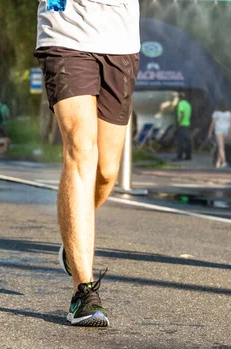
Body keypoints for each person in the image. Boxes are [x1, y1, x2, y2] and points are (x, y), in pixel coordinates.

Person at [35, 0, 140, 327]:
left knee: (107, 172)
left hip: (119, 40)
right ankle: (83, 291)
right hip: (64, 29)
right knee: (81, 147)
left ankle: (73, 239)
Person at [207, 99, 231, 168]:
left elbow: (212, 124)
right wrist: (230, 133)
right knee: (221, 147)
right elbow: (230, 124)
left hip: (219, 130)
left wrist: (209, 132)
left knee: (221, 147)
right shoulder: (229, 113)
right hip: (226, 130)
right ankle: (218, 163)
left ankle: (224, 162)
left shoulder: (216, 113)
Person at [174, 91, 192, 161]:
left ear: (179, 98)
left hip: (182, 124)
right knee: (187, 141)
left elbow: (182, 114)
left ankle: (179, 156)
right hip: (187, 124)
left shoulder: (181, 104)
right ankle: (188, 155)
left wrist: (179, 122)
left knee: (180, 141)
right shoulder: (188, 104)